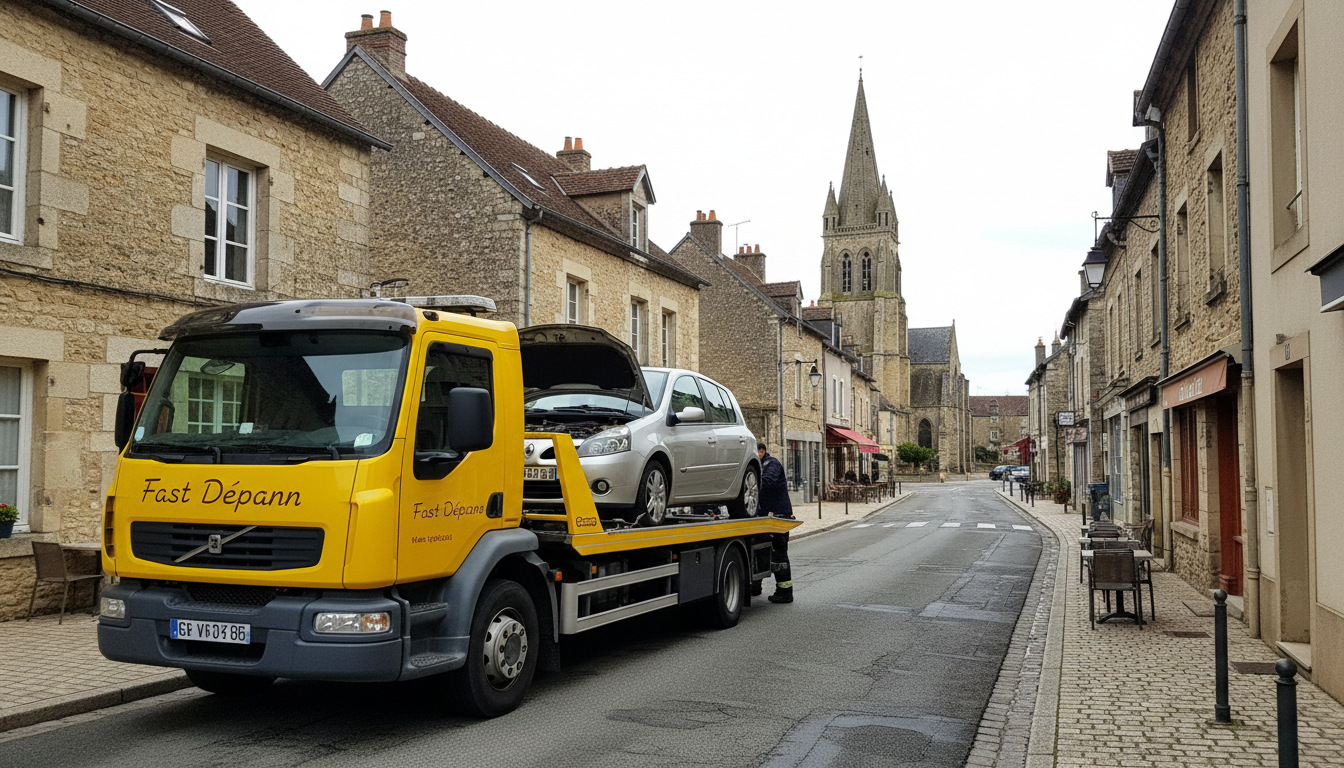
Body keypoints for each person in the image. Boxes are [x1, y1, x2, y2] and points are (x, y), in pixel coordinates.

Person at [756, 442, 794, 604]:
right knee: (758, 551)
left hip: (778, 516)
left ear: (762, 451)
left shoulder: (772, 464)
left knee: (778, 554)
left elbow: (767, 483)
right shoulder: (758, 465)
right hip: (765, 517)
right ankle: (754, 587)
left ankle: (785, 591)